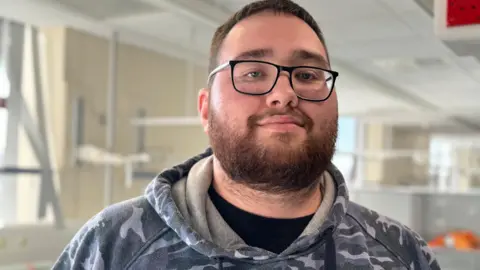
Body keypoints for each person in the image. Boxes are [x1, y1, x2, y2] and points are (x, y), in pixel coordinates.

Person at [53, 0, 441, 269]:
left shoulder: (400, 254)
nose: (284, 94)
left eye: (306, 75)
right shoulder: (113, 246)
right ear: (205, 109)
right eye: (253, 73)